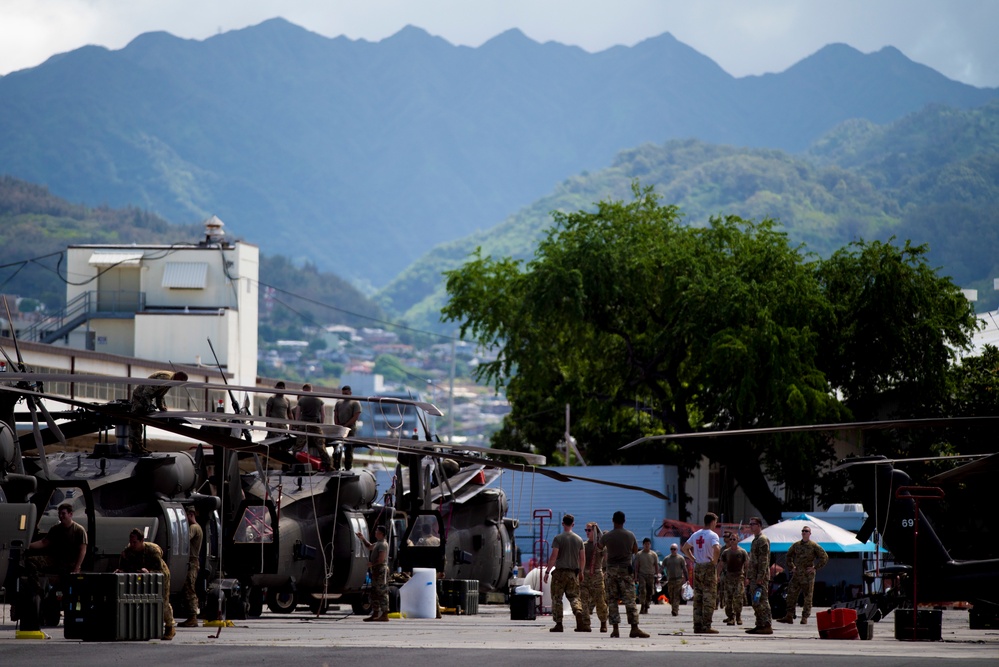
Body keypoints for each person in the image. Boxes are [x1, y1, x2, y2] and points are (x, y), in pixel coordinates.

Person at [117, 528, 175, 640]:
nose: (132, 545)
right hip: (140, 576)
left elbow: (159, 569)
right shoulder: (128, 551)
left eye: (135, 542)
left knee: (163, 601)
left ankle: (169, 627)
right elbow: (123, 566)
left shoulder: (152, 551)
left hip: (160, 575)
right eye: (131, 542)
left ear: (142, 540)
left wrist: (149, 572)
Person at [599, 511, 649, 638]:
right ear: (624, 521)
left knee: (612, 600)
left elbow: (599, 546)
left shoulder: (607, 536)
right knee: (630, 600)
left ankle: (615, 629)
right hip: (625, 571)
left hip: (611, 571)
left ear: (613, 520)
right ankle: (634, 628)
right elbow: (635, 550)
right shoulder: (630, 535)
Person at [543, 513, 587, 632]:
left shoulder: (558, 538)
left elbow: (553, 556)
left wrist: (547, 571)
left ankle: (559, 624)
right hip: (573, 574)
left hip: (560, 574)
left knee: (557, 598)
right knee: (574, 597)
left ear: (563, 524)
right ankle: (578, 612)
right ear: (573, 524)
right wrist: (581, 572)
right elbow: (582, 558)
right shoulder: (579, 539)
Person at [25, 503, 88, 587]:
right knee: (30, 561)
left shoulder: (79, 530)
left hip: (70, 563)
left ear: (70, 514)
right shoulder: (55, 529)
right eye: (59, 514)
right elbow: (44, 542)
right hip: (55, 560)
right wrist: (27, 545)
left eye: (63, 513)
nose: (61, 516)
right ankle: (37, 589)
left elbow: (82, 550)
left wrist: (76, 567)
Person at [778, 524, 829, 625]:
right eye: (803, 531)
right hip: (797, 575)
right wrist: (792, 567)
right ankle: (789, 615)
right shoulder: (796, 545)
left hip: (808, 575)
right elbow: (789, 555)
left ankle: (805, 617)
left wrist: (815, 568)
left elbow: (824, 557)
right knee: (791, 594)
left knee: (807, 597)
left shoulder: (814, 546)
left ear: (810, 534)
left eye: (806, 531)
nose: (804, 532)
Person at [128, 370, 188, 454]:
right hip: (139, 396)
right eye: (180, 382)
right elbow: (146, 392)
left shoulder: (170, 381)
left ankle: (139, 446)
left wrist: (162, 408)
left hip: (145, 397)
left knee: (138, 422)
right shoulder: (165, 378)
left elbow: (160, 396)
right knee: (135, 422)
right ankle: (135, 447)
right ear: (179, 378)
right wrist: (148, 406)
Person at [682, 512, 721, 634]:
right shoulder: (712, 535)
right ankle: (706, 626)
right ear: (713, 522)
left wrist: (693, 558)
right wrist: (714, 561)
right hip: (708, 567)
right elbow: (717, 549)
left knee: (698, 597)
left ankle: (697, 625)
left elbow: (684, 548)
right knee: (709, 597)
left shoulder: (696, 534)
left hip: (698, 566)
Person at [745, 517, 774, 635]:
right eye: (750, 524)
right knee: (756, 601)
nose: (751, 526)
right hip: (754, 576)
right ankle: (760, 624)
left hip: (759, 577)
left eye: (753, 524)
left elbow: (764, 560)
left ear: (759, 525)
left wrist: (760, 577)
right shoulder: (755, 540)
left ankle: (766, 625)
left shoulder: (762, 540)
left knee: (762, 600)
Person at [294, 383, 331, 471]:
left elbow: (297, 414)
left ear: (304, 390)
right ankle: (327, 464)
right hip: (315, 425)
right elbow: (323, 415)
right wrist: (321, 425)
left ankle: (293, 463)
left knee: (298, 446)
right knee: (321, 446)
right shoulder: (319, 400)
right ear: (311, 389)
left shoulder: (301, 401)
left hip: (304, 425)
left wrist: (297, 424)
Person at [356, 525, 389, 622]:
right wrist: (362, 538)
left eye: (377, 531)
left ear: (381, 533)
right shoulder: (378, 543)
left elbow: (381, 559)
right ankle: (375, 613)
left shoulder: (383, 544)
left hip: (380, 570)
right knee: (374, 592)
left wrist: (372, 564)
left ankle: (384, 614)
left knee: (382, 592)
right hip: (376, 570)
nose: (375, 533)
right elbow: (369, 546)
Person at [580, 522, 609, 632]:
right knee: (583, 601)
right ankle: (586, 623)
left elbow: (606, 557)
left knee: (600, 600)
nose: (587, 533)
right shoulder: (584, 545)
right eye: (586, 530)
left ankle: (603, 622)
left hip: (597, 575)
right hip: (585, 575)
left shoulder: (600, 547)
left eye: (589, 530)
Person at [179, 506, 204, 627]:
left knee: (190, 588)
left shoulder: (194, 528)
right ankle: (191, 616)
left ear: (190, 514)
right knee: (188, 588)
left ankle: (193, 616)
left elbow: (184, 539)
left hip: (192, 562)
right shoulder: (198, 527)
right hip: (193, 562)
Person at [719, 532, 748, 626]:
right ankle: (731, 617)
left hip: (739, 578)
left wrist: (747, 578)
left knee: (738, 599)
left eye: (734, 539)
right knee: (728, 599)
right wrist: (717, 575)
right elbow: (720, 565)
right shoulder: (725, 552)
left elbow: (747, 566)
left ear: (738, 540)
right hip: (728, 578)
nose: (731, 541)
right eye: (730, 539)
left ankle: (738, 616)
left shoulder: (742, 552)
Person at [334, 385, 361, 470]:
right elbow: (336, 414)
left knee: (349, 449)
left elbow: (356, 416)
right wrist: (338, 424)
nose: (344, 395)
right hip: (340, 428)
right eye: (343, 393)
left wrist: (346, 425)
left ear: (350, 393)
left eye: (346, 393)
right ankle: (336, 466)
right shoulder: (339, 402)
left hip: (350, 429)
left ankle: (348, 467)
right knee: (337, 447)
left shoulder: (355, 402)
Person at [634, 537, 659, 614]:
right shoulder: (639, 554)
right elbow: (637, 566)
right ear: (643, 545)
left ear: (650, 545)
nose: (647, 546)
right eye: (645, 544)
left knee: (650, 591)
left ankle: (647, 604)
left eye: (648, 544)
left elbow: (656, 565)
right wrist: (636, 576)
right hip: (642, 575)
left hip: (651, 575)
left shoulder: (653, 554)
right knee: (642, 590)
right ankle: (642, 605)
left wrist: (657, 576)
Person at [662, 542, 688, 617]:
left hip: (678, 579)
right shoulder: (667, 559)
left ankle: (675, 610)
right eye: (672, 549)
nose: (673, 550)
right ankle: (674, 607)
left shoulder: (680, 558)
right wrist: (658, 574)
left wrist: (687, 579)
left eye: (674, 549)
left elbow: (684, 569)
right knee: (671, 595)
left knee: (676, 595)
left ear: (677, 550)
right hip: (670, 580)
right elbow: (662, 567)